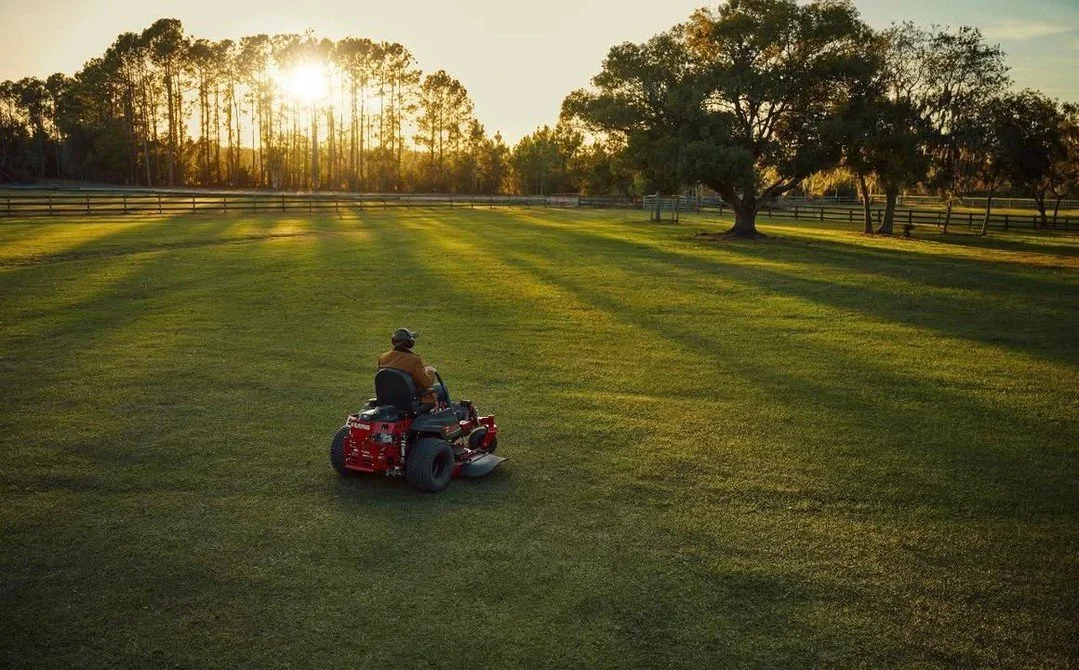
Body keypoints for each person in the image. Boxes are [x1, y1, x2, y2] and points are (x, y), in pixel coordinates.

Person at [377, 328, 441, 405]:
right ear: (410, 343)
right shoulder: (414, 360)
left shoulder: (383, 357)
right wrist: (430, 371)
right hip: (410, 401)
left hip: (388, 398)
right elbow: (427, 384)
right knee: (440, 389)